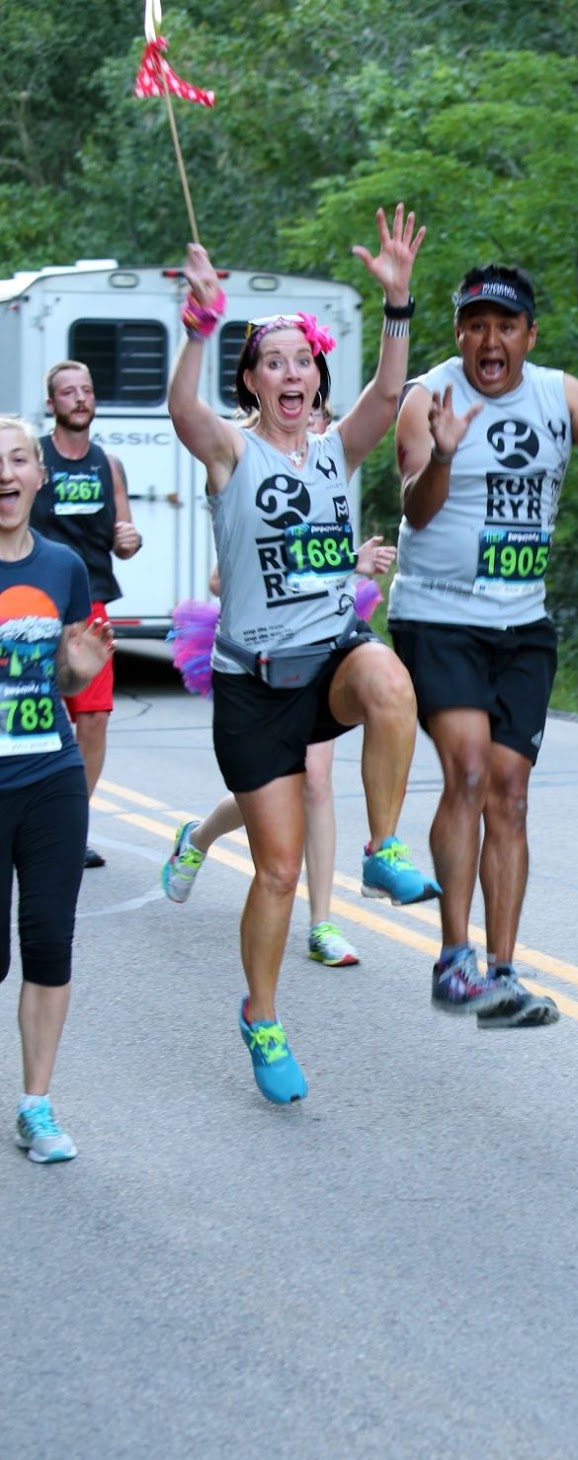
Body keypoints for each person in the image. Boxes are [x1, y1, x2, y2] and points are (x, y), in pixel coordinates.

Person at [169, 202, 439, 1105]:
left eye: (301, 359)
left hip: (329, 658)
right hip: (254, 689)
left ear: (317, 375)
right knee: (278, 870)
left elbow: (390, 396)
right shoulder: (231, 454)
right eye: (271, 361)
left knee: (390, 681)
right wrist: (201, 332)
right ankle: (263, 1014)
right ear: (251, 383)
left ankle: (382, 844)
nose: (290, 371)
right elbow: (181, 411)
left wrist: (397, 305)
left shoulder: (334, 453)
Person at [391, 263, 578, 1026]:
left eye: (505, 326)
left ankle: (502, 975)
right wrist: (445, 452)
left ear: (528, 336)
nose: (490, 339)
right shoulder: (427, 398)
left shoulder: (558, 394)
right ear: (459, 333)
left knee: (511, 794)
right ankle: (454, 961)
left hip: (522, 625)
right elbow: (414, 512)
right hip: (437, 616)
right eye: (476, 324)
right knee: (471, 771)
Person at [161, 400, 393, 969]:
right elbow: (222, 576)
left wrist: (351, 565)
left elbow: (328, 560)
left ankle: (321, 923)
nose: (313, 426)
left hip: (323, 647)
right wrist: (337, 560)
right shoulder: (247, 466)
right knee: (277, 790)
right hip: (261, 652)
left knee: (316, 781)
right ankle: (199, 837)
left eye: (322, 417)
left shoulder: (328, 470)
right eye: (308, 417)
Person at [0, 415, 114, 1161]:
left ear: (38, 476)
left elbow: (72, 685)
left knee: (48, 941)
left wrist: (76, 664)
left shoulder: (65, 567)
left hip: (50, 776)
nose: (3, 474)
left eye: (16, 459)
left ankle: (36, 1106)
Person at [31, 360, 143, 869]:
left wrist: (130, 538)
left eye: (87, 391)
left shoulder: (108, 463)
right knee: (31, 712)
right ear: (51, 404)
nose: (80, 399)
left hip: (91, 600)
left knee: (93, 718)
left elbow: (126, 537)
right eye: (68, 392)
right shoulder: (34, 460)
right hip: (34, 601)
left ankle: (72, 825)